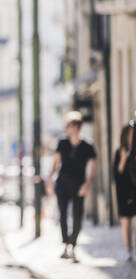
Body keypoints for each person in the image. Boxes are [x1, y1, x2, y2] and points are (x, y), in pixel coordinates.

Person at [47, 111, 97, 263]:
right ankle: (65, 244)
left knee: (77, 215)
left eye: (68, 125)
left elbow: (93, 166)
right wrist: (51, 180)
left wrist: (87, 184)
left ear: (76, 127)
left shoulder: (87, 145)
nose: (65, 128)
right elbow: (55, 163)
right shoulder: (62, 142)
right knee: (62, 214)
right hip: (62, 183)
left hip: (79, 184)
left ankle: (73, 246)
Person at [113, 124, 136, 261]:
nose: (131, 136)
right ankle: (128, 250)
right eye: (129, 134)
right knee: (126, 221)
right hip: (123, 190)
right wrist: (122, 160)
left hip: (135, 189)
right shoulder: (119, 152)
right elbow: (116, 175)